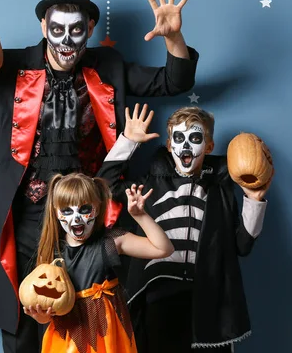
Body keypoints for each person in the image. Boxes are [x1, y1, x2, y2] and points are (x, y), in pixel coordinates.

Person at [0, 0, 199, 353]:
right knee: (25, 315)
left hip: (87, 219)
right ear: (43, 25)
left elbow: (171, 83)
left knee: (88, 321)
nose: (65, 40)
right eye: (56, 28)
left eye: (76, 29)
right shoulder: (9, 68)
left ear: (90, 28)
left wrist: (174, 36)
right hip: (27, 220)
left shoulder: (107, 66)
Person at [99, 106, 271, 352]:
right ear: (169, 146)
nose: (186, 146)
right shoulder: (150, 184)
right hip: (159, 292)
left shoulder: (221, 193)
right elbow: (103, 185)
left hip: (208, 294)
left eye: (195, 138)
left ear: (209, 147)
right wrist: (128, 141)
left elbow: (243, 245)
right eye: (179, 138)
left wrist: (254, 200)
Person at [22, 171, 174, 353]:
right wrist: (41, 316)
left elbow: (164, 249)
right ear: (56, 212)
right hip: (69, 338)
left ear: (98, 207)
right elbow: (49, 311)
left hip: (107, 334)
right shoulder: (52, 251)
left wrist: (140, 215)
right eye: (67, 211)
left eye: (84, 209)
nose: (76, 218)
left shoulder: (111, 241)